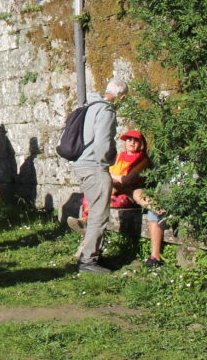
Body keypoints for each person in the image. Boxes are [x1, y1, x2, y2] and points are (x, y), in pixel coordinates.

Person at [70, 79, 127, 274]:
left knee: (94, 212)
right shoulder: (106, 110)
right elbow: (103, 144)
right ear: (123, 97)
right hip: (95, 166)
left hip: (82, 164)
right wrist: (110, 160)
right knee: (98, 215)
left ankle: (90, 255)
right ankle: (89, 261)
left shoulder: (90, 106)